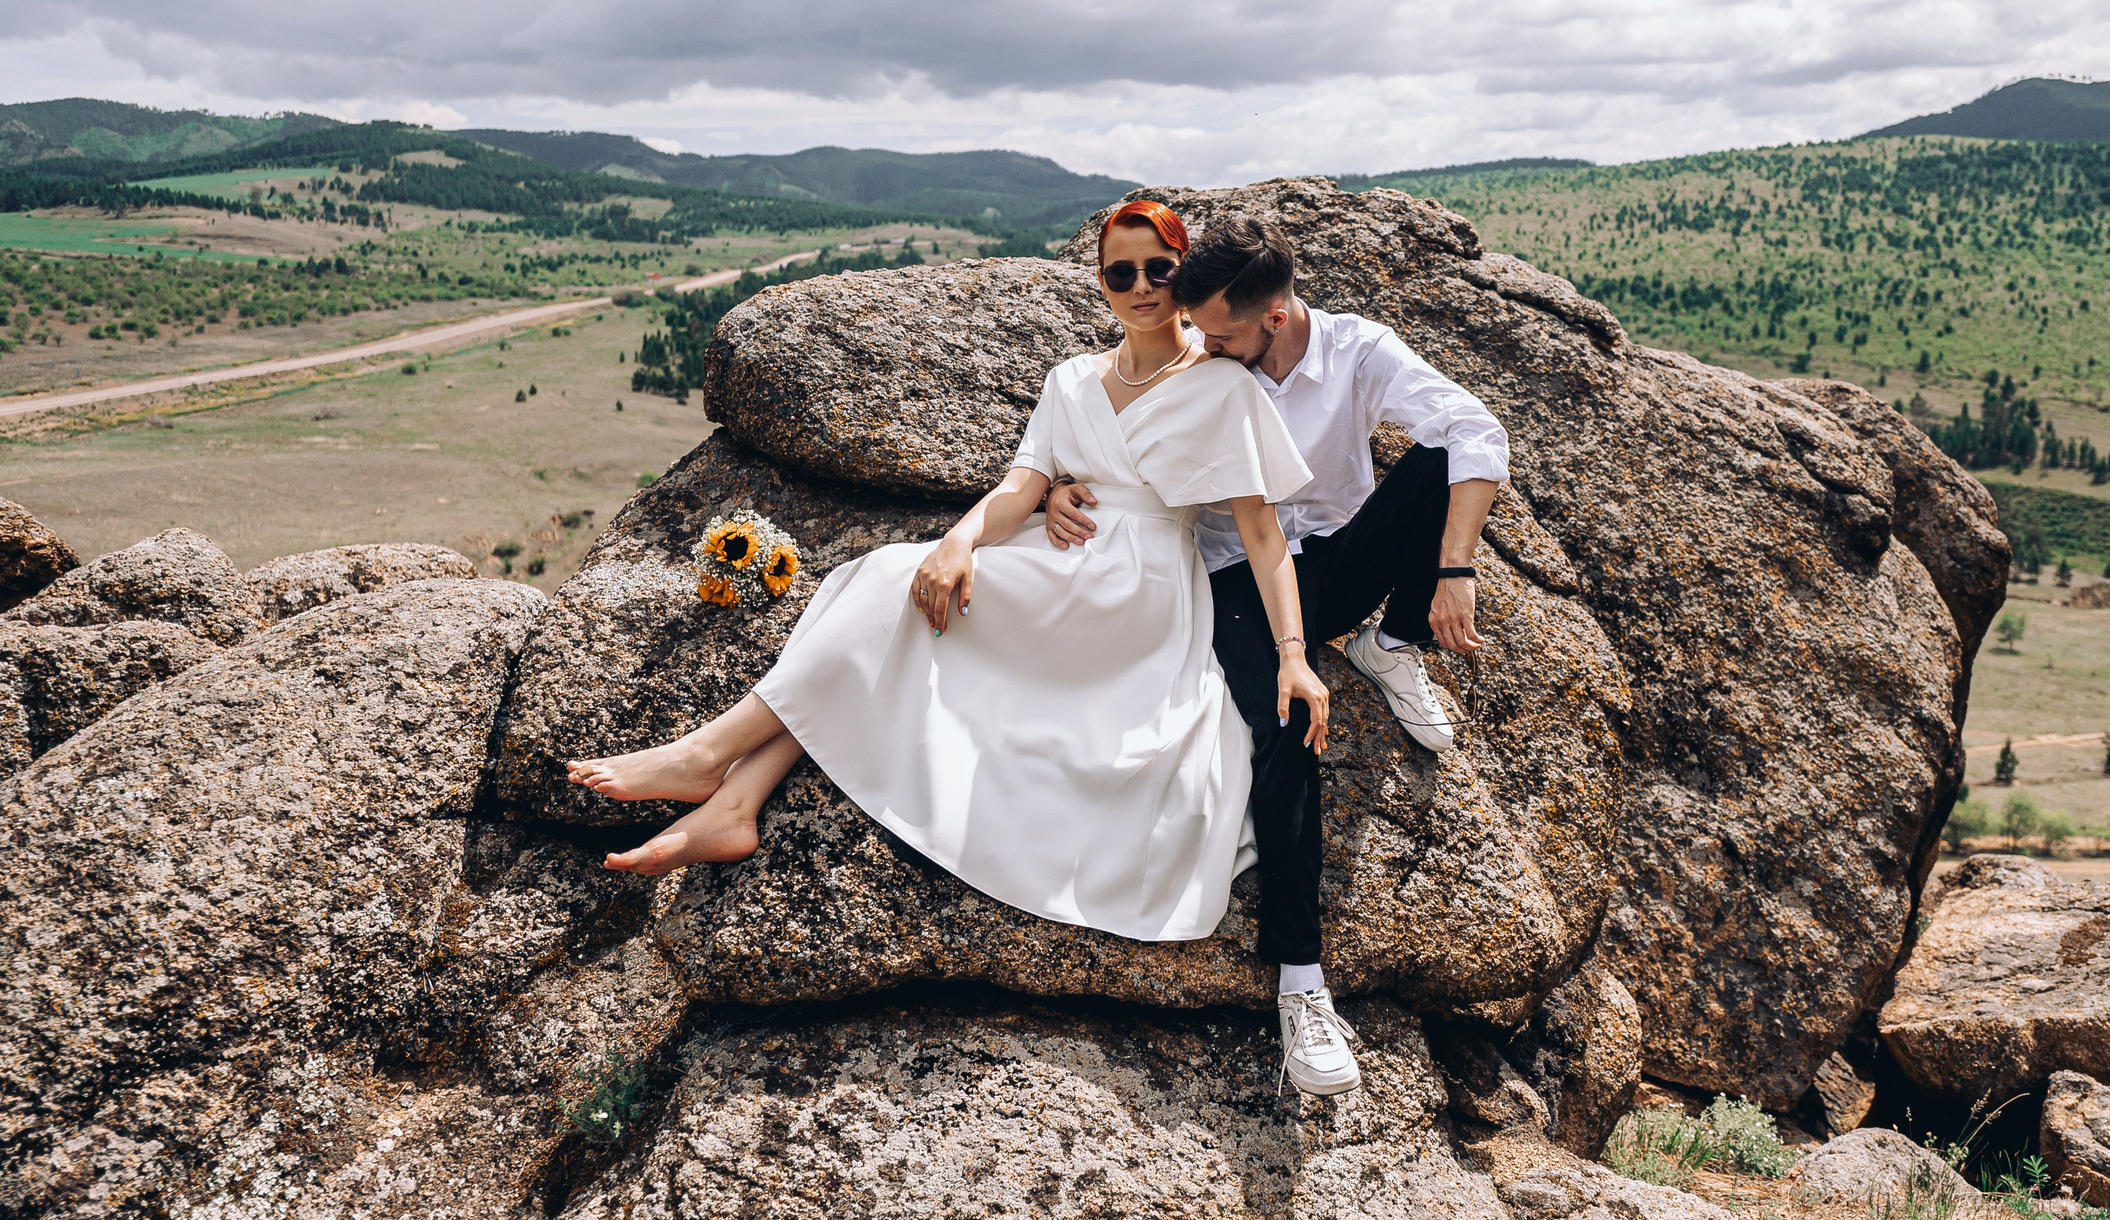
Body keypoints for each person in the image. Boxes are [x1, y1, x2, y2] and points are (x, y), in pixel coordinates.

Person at [568, 202, 1351, 1085]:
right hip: (1053, 563)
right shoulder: (1070, 380)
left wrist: (1291, 649)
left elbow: (1261, 534)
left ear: (1185, 278)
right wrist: (959, 539)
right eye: (1117, 272)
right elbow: (1024, 484)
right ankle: (733, 798)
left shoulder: (1222, 387)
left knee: (884, 609)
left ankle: (713, 757)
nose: (1136, 288)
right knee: (887, 584)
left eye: (1155, 271)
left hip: (1137, 602)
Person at [1044, 210, 1509, 1094]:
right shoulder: (1197, 361)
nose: (1201, 346)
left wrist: (1454, 567)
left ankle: (1393, 640)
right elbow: (1112, 429)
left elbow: (1479, 430)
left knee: (1439, 459)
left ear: (1279, 315)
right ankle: (1301, 983)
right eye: (1195, 329)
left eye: (1219, 334)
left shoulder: (1357, 351)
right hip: (1234, 577)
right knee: (1287, 725)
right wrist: (1060, 492)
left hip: (1335, 564)